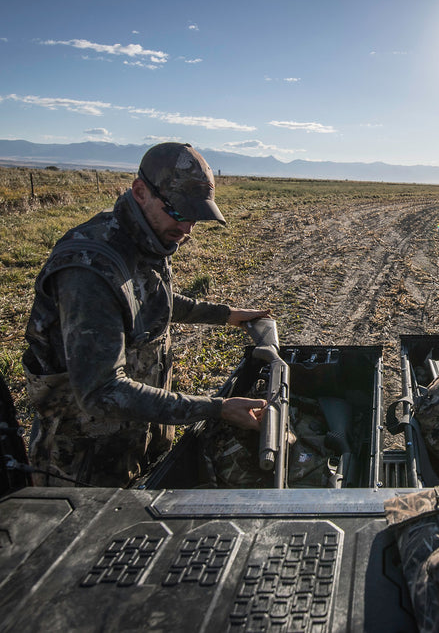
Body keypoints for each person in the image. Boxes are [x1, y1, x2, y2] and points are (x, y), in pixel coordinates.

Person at [22, 142, 270, 487]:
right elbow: (102, 392)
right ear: (141, 192)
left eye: (196, 217)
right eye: (181, 213)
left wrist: (226, 315)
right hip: (85, 464)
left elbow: (154, 300)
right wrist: (216, 408)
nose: (188, 230)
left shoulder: (147, 239)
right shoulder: (87, 270)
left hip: (135, 441)